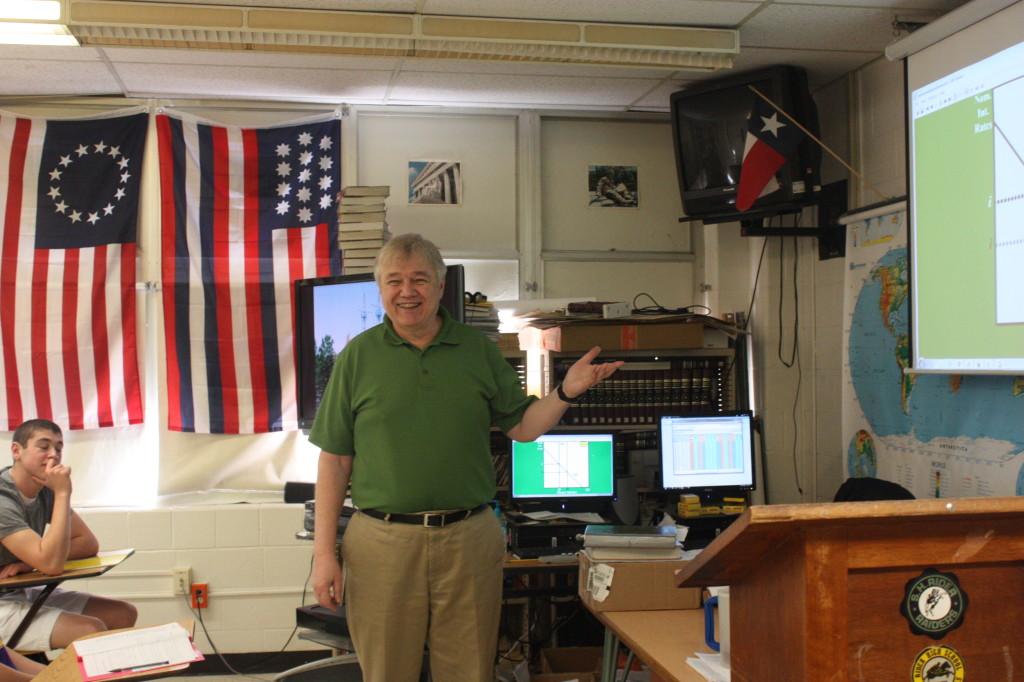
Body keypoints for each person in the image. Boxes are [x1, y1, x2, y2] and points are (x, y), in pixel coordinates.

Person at [309, 233, 622, 682]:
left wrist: (567, 391)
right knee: (385, 672)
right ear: (381, 289)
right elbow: (334, 460)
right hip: (380, 542)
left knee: (470, 672)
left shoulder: (478, 351)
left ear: (440, 286)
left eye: (419, 279)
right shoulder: (357, 356)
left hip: (468, 538)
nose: (407, 291)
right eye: (394, 281)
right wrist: (324, 554)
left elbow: (524, 428)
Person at [0, 420, 137, 651]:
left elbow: (87, 543)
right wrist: (62, 492)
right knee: (89, 630)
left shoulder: (43, 488)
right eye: (43, 447)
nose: (53, 455)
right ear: (16, 451)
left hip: (15, 590)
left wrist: (28, 563)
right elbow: (52, 565)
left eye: (59, 448)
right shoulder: (4, 498)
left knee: (121, 614)